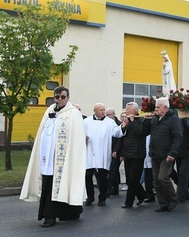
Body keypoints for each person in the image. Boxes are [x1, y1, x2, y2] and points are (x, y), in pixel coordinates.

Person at [20, 86, 86, 227]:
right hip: (46, 157)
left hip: (63, 158)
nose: (59, 99)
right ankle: (52, 214)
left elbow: (77, 139)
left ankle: (60, 214)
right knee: (48, 184)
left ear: (68, 97)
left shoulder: (73, 113)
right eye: (57, 97)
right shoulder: (49, 110)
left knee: (62, 184)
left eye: (62, 97)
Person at [84, 103, 123, 206]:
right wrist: (83, 136)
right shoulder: (86, 121)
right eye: (101, 110)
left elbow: (117, 133)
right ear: (95, 110)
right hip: (89, 153)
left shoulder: (110, 122)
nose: (103, 112)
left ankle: (102, 198)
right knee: (88, 176)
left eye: (104, 110)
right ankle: (90, 197)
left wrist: (123, 125)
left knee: (102, 177)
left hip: (103, 153)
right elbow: (80, 133)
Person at [148, 97, 182, 212]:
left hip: (166, 154)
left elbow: (178, 137)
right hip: (155, 153)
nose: (155, 109)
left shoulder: (173, 119)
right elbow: (144, 132)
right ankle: (163, 203)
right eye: (156, 106)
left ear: (165, 108)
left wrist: (172, 153)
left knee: (163, 178)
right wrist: (146, 120)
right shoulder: (154, 119)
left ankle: (173, 198)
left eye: (158, 107)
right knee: (156, 181)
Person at [117, 102, 149, 208]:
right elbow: (121, 137)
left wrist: (132, 120)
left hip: (137, 154)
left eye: (127, 110)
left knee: (134, 178)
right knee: (129, 179)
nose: (125, 111)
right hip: (128, 153)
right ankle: (142, 195)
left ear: (134, 111)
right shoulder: (126, 122)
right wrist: (124, 125)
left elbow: (140, 132)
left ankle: (128, 202)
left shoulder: (141, 121)